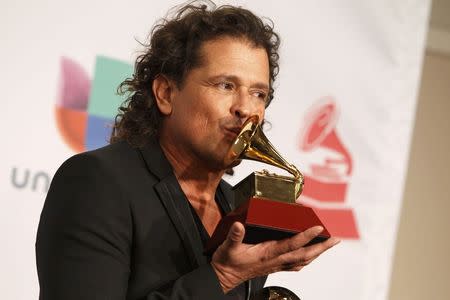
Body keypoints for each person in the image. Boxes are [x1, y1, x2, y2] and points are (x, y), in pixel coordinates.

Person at [36, 2, 340, 299]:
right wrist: (222, 277)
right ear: (166, 93)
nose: (246, 108)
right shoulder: (97, 182)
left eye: (258, 93)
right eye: (225, 85)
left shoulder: (237, 202)